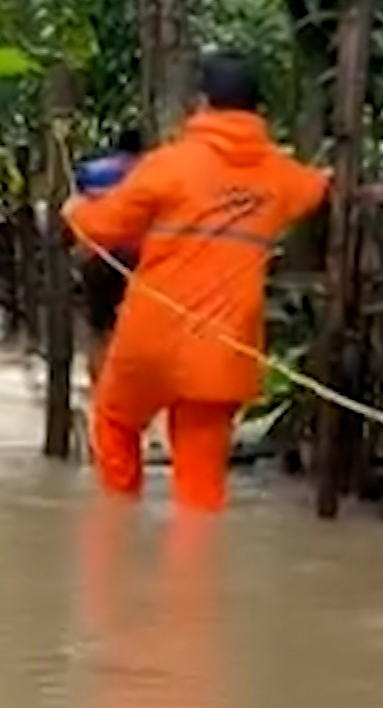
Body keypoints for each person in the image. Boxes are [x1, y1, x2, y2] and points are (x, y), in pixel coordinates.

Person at [62, 53, 331, 513]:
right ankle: (193, 576)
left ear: (203, 103)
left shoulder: (168, 165)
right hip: (223, 348)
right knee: (201, 493)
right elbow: (317, 187)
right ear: (257, 109)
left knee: (113, 421)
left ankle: (118, 533)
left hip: (151, 337)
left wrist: (74, 211)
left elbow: (103, 226)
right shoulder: (280, 175)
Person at [74, 128, 144, 384]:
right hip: (139, 257)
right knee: (134, 324)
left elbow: (78, 206)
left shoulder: (90, 171)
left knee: (97, 324)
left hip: (98, 253)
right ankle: (129, 384)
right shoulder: (152, 171)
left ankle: (97, 383)